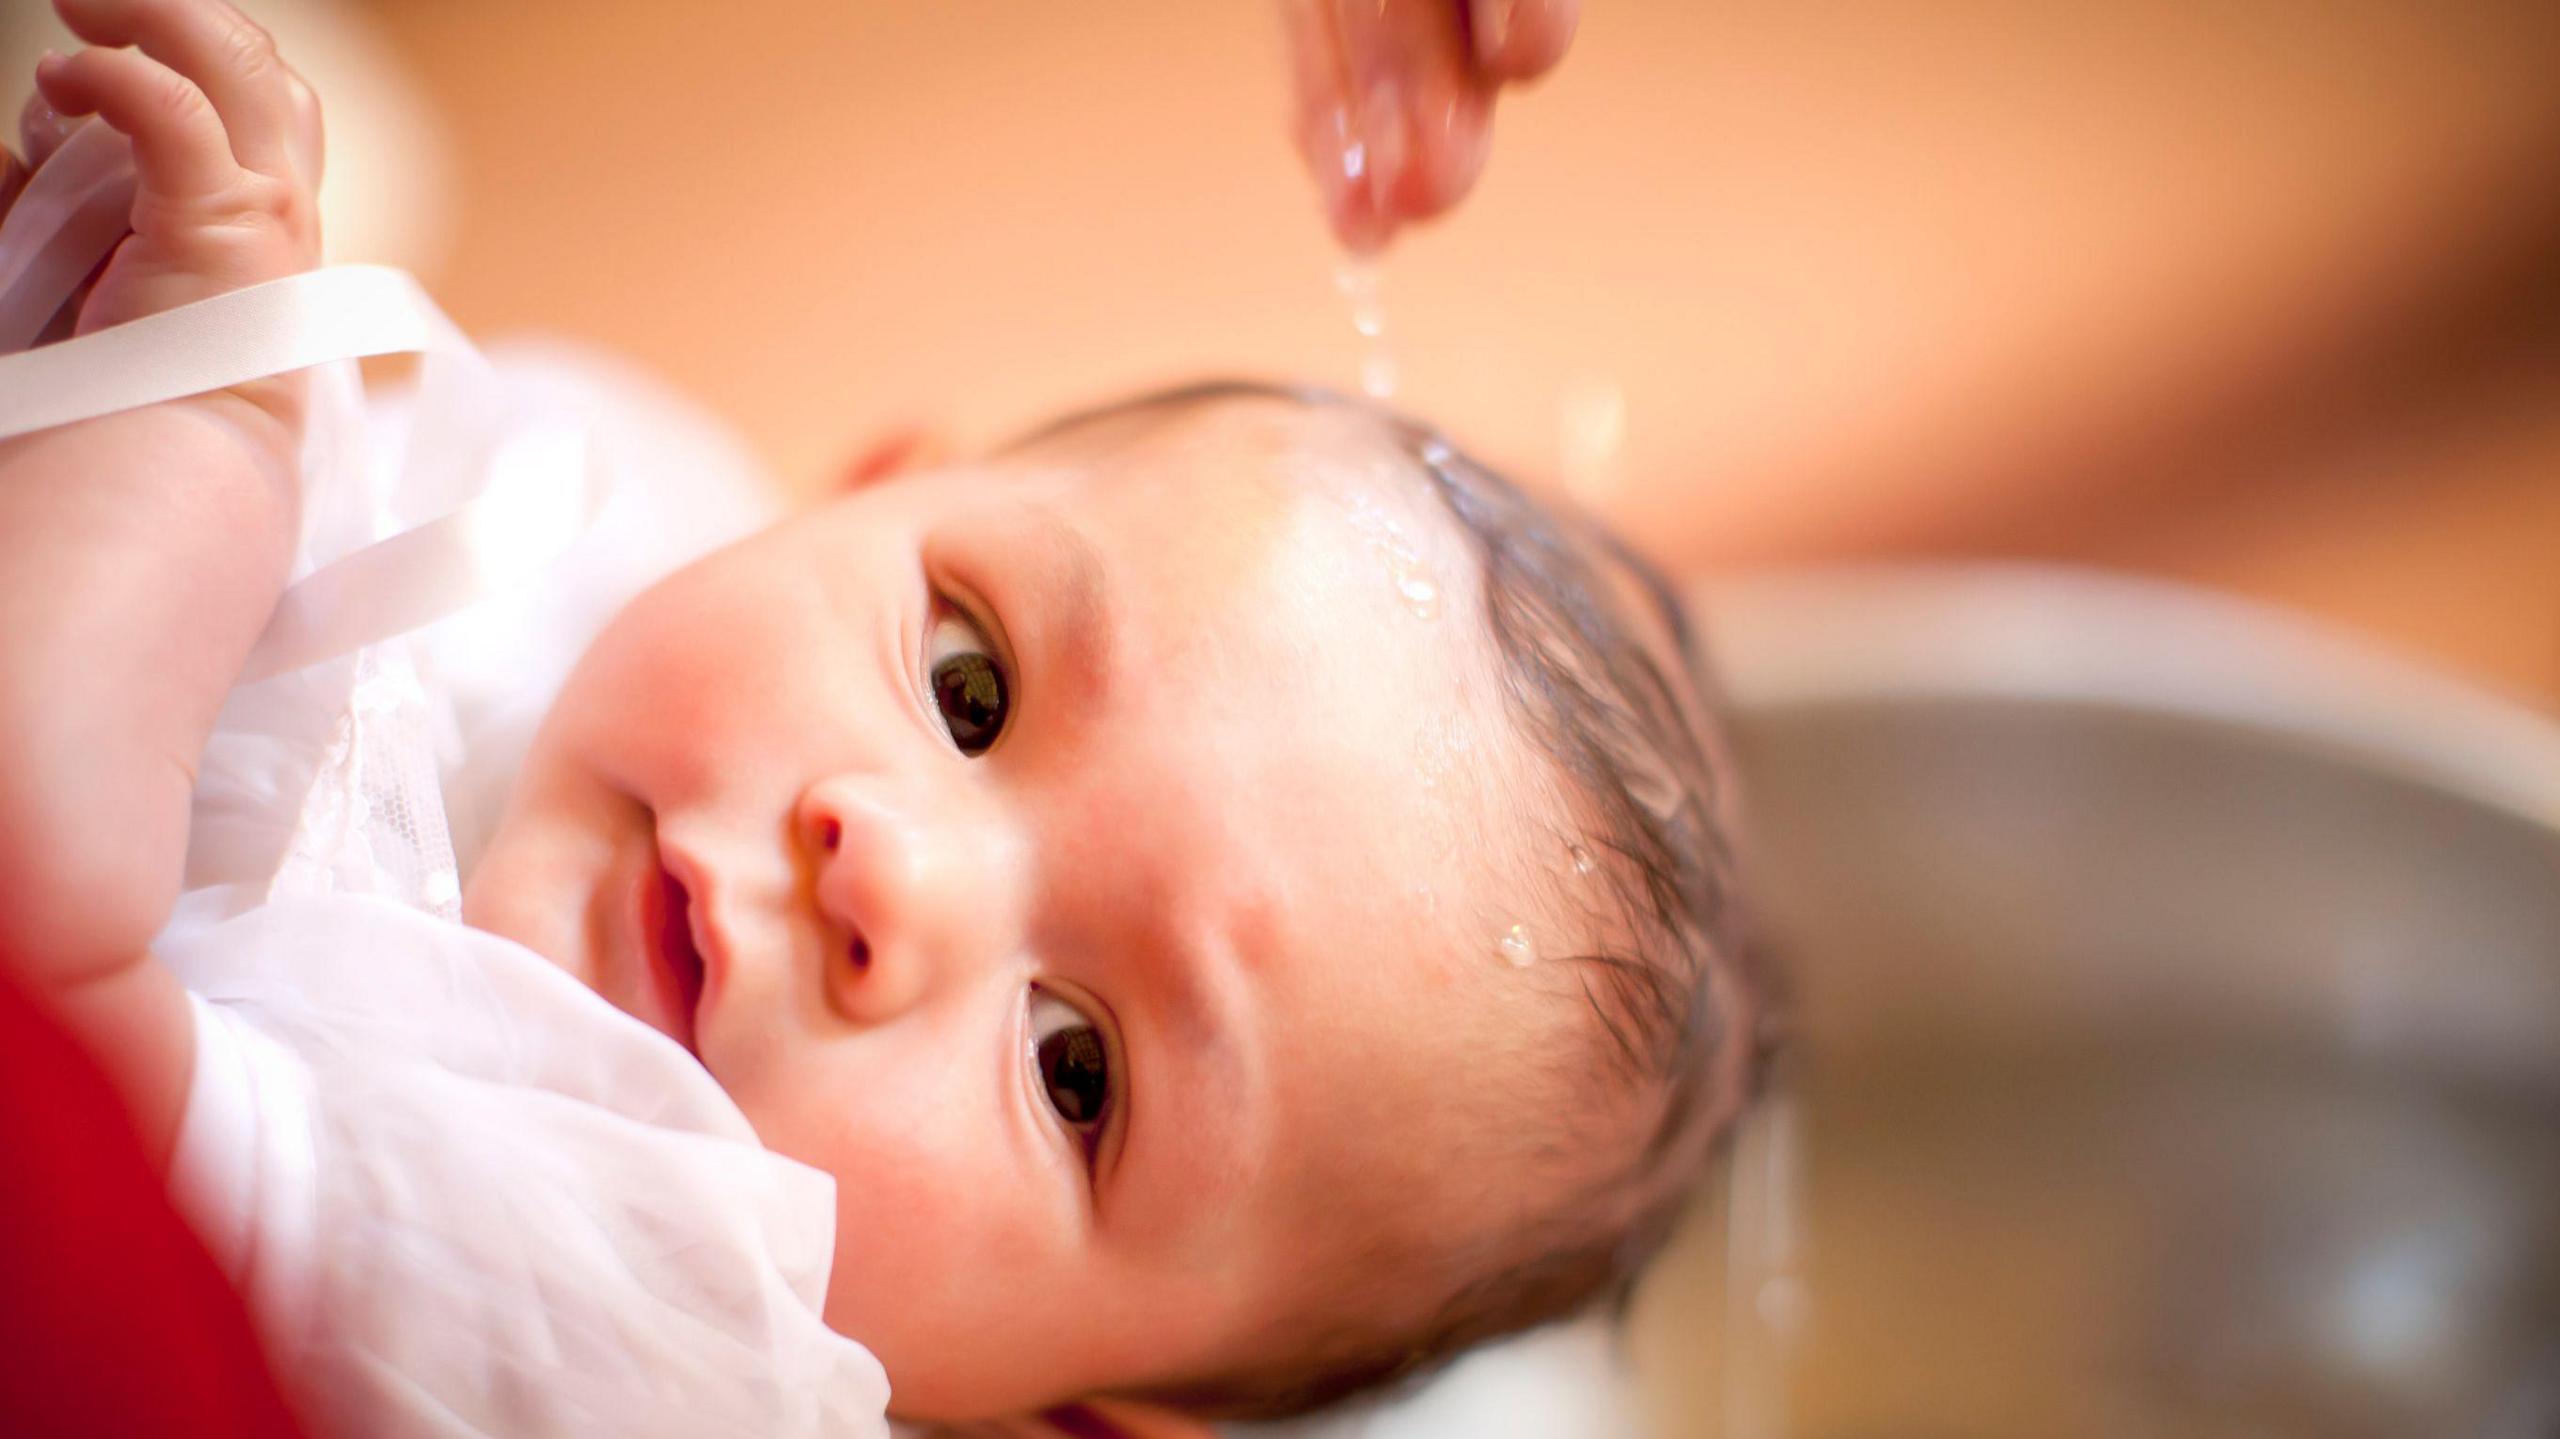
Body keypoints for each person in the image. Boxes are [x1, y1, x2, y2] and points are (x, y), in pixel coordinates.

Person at [0, 1, 1759, 1434]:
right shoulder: (623, 511)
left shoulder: (606, 1324)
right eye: (969, 686)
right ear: (864, 490)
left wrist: (197, 417)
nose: (883, 871)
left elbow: (50, 1007)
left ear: (1058, 1421)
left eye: (1078, 1073)